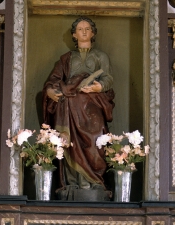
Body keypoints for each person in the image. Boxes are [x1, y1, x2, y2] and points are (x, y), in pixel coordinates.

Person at [42, 16, 115, 197]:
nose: (83, 31)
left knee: (93, 142)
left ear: (93, 32)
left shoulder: (100, 56)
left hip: (92, 106)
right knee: (69, 142)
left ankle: (94, 181)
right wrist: (51, 92)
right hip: (68, 107)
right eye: (80, 29)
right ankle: (72, 182)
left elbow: (108, 78)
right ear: (74, 34)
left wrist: (99, 86)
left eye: (87, 28)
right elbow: (53, 81)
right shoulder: (67, 59)